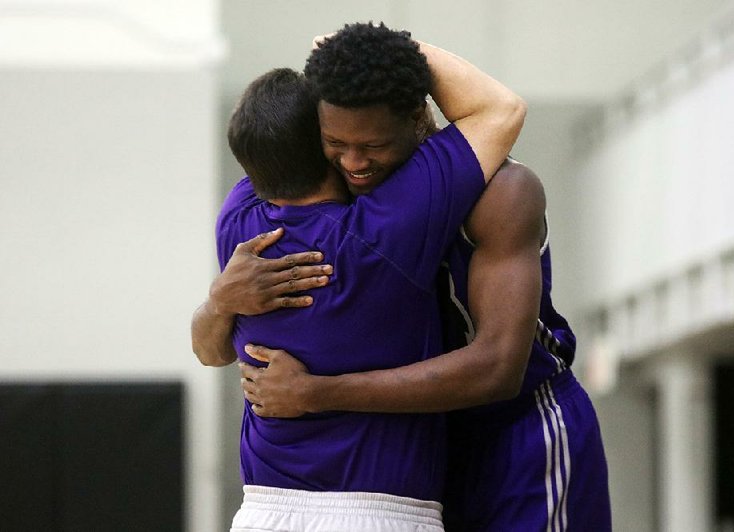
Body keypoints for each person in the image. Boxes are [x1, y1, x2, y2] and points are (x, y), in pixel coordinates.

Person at [228, 26, 612, 532]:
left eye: (373, 145)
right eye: (335, 144)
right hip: (425, 445)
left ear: (419, 116)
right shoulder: (333, 193)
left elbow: (498, 369)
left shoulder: (503, 192)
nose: (353, 162)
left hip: (521, 431)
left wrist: (319, 392)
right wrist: (218, 303)